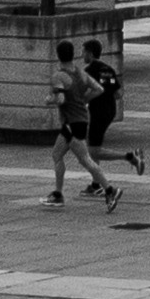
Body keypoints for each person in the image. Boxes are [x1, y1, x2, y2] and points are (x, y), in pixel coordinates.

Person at [45, 38, 115, 206]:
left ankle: (110, 190)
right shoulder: (80, 73)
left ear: (58, 55)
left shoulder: (59, 76)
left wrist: (49, 100)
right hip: (79, 121)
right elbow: (99, 89)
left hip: (72, 123)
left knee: (85, 160)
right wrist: (84, 99)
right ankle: (57, 194)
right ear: (73, 54)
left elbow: (61, 99)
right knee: (57, 154)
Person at [86, 38, 140, 178]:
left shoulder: (89, 71)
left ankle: (130, 156)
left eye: (84, 52)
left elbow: (88, 91)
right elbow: (118, 93)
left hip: (98, 112)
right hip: (110, 110)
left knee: (94, 151)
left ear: (90, 53)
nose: (82, 55)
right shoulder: (108, 70)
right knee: (93, 147)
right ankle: (96, 183)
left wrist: (84, 99)